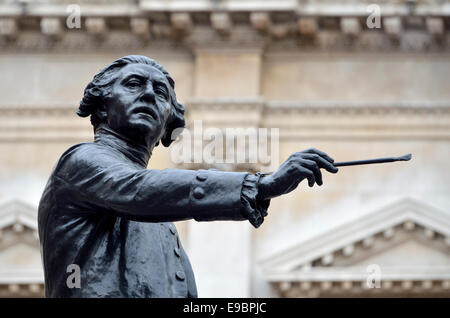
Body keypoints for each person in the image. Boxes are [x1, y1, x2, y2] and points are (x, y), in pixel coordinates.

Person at [38, 55, 338, 298]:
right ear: (101, 106)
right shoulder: (81, 162)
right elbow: (141, 190)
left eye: (160, 93)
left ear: (168, 124)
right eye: (133, 84)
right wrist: (260, 185)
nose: (147, 95)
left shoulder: (161, 218)